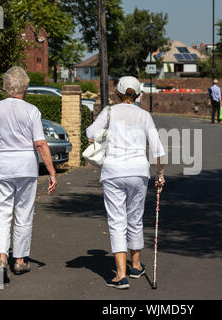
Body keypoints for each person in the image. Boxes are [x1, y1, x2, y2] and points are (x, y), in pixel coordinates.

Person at [86, 76, 166, 290]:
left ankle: (120, 275)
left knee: (117, 220)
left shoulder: (109, 112)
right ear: (138, 94)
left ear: (117, 93)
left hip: (114, 170)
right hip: (139, 170)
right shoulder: (144, 116)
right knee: (135, 217)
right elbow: (158, 149)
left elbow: (91, 133)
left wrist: (107, 137)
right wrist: (160, 173)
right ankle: (136, 266)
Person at [0, 66, 58, 281]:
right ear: (25, 87)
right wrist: (51, 172)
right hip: (26, 167)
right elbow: (40, 143)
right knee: (23, 213)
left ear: (6, 87)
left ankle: (2, 256)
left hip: (2, 166)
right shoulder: (32, 111)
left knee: (2, 214)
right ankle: (20, 260)